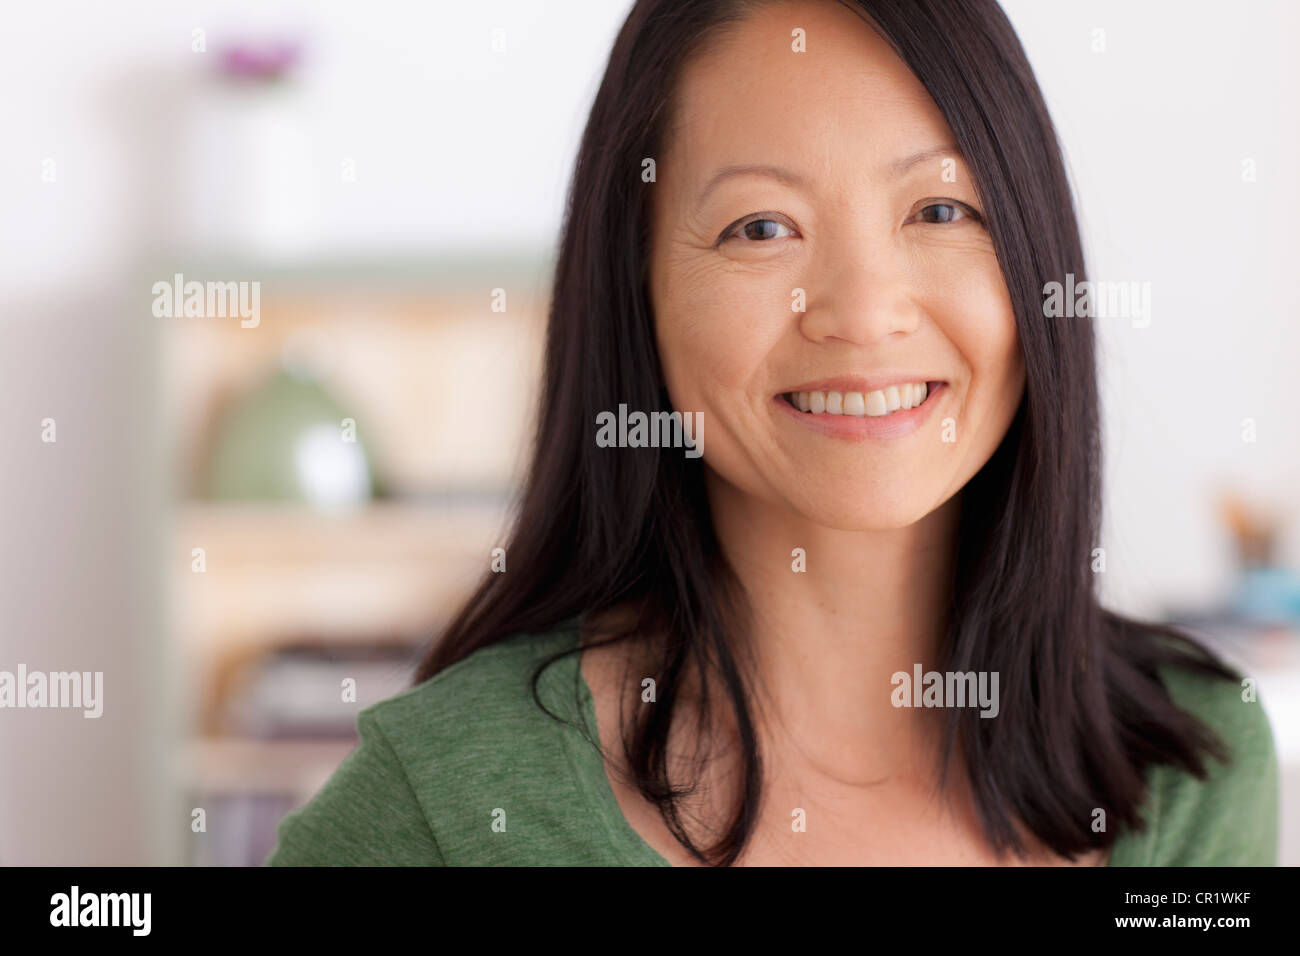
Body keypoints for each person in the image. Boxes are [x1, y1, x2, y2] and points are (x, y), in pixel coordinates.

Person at [266, 0, 1278, 867]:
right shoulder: (444, 803)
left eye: (938, 206)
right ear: (637, 293)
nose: (863, 311)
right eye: (760, 227)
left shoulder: (1188, 771)